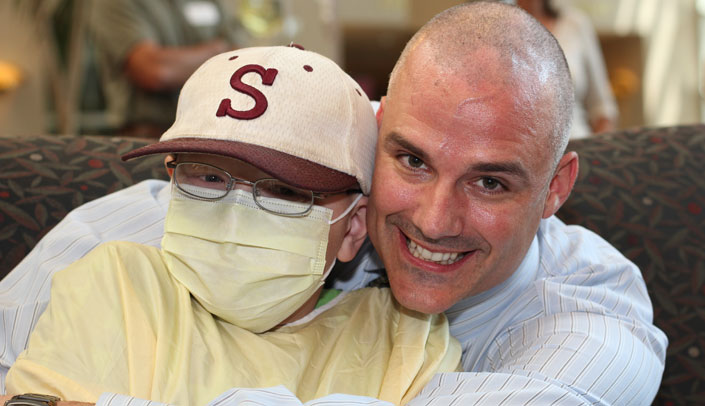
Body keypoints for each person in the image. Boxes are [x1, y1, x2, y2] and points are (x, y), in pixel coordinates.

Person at [0, 2, 667, 405]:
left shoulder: (589, 316)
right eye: (411, 160)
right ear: (371, 134)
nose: (434, 219)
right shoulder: (141, 235)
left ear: (554, 188)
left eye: (490, 182)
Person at [3, 45, 460, 405]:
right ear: (171, 180)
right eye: (208, 177)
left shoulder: (408, 340)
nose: (237, 213)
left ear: (355, 226)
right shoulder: (113, 283)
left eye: (286, 191)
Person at [91, 0, 244, 137]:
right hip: (150, 138)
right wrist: (219, 52)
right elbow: (155, 71)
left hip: (216, 133)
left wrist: (214, 56)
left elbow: (244, 56)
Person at [517, 0, 619, 138]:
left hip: (578, 143)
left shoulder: (575, 23)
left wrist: (598, 151)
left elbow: (602, 108)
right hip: (522, 149)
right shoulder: (496, 27)